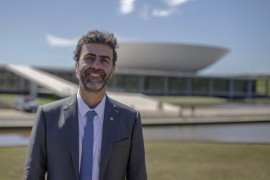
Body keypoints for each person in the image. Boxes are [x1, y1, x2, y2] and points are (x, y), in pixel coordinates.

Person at [24, 30, 147, 180]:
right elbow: (32, 175)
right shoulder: (47, 116)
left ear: (113, 69)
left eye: (104, 60)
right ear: (76, 66)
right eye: (89, 58)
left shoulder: (130, 119)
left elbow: (138, 176)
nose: (96, 66)